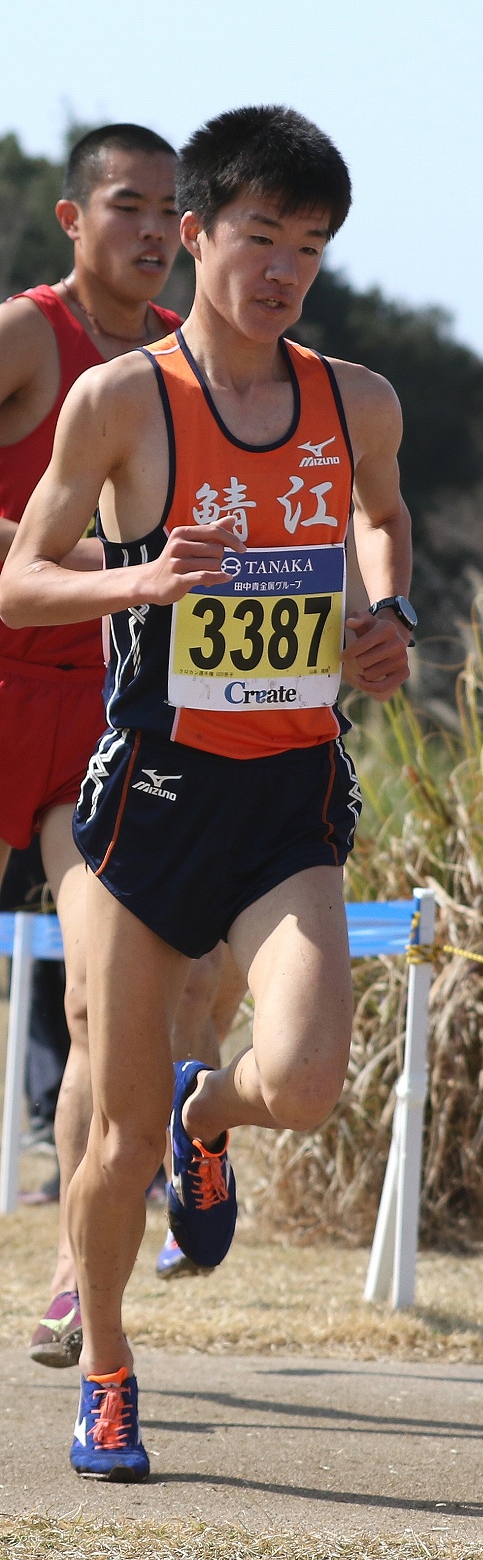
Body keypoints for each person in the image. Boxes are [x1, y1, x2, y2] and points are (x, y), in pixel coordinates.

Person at [0, 104, 415, 1482]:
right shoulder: (121, 398)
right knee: (109, 1145)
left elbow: (381, 516)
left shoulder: (355, 398)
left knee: (301, 1080)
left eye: (308, 246)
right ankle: (109, 1369)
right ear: (196, 238)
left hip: (288, 795)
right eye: (257, 237)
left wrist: (384, 612)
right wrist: (140, 580)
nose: (283, 268)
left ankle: (211, 1116)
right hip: (148, 804)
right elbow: (19, 580)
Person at [0, 124, 183, 1363]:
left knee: (99, 996)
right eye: (127, 205)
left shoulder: (181, 364)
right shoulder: (29, 334)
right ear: (74, 218)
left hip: (102, 707)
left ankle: (76, 1258)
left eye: (173, 210)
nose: (153, 230)